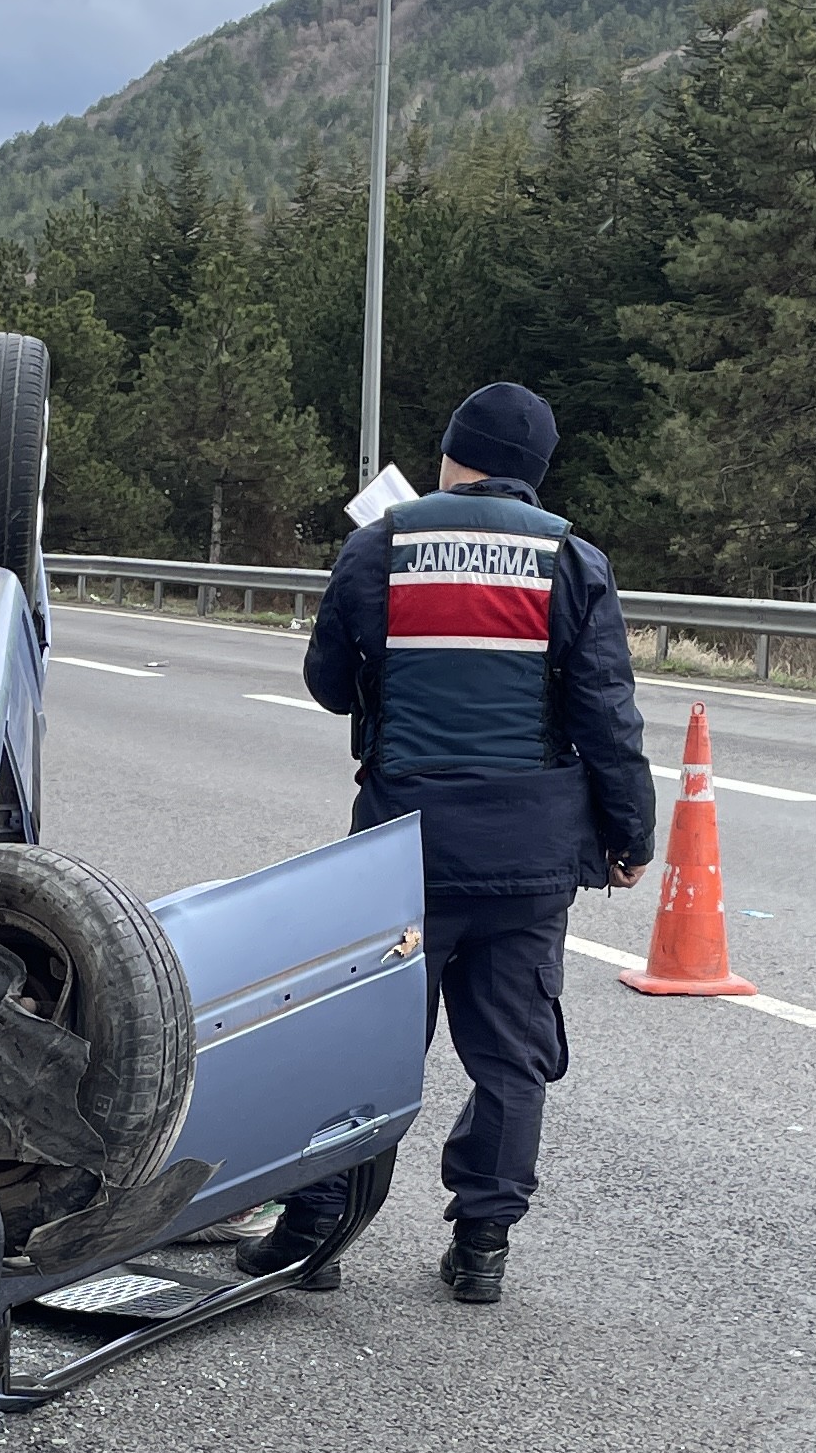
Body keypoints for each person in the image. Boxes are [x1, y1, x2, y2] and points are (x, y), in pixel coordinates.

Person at [239, 383, 657, 1306]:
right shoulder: (572, 561)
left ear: (449, 456)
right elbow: (609, 721)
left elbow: (330, 689)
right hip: (531, 858)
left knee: (364, 1043)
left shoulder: (379, 544)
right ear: (535, 475)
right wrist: (631, 838)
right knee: (512, 1055)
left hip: (403, 854)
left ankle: (314, 1234)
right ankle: (482, 1248)